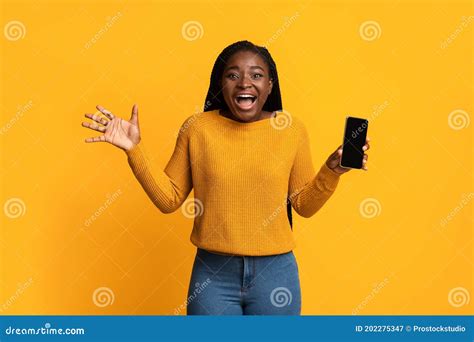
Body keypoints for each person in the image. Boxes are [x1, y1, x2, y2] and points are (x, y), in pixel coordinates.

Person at [81, 40, 370, 315]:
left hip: (276, 276)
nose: (245, 82)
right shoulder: (198, 128)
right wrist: (134, 150)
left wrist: (332, 171)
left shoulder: (291, 130)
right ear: (221, 84)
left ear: (269, 86)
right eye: (233, 75)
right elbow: (169, 199)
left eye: (256, 75)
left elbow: (304, 205)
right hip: (213, 277)